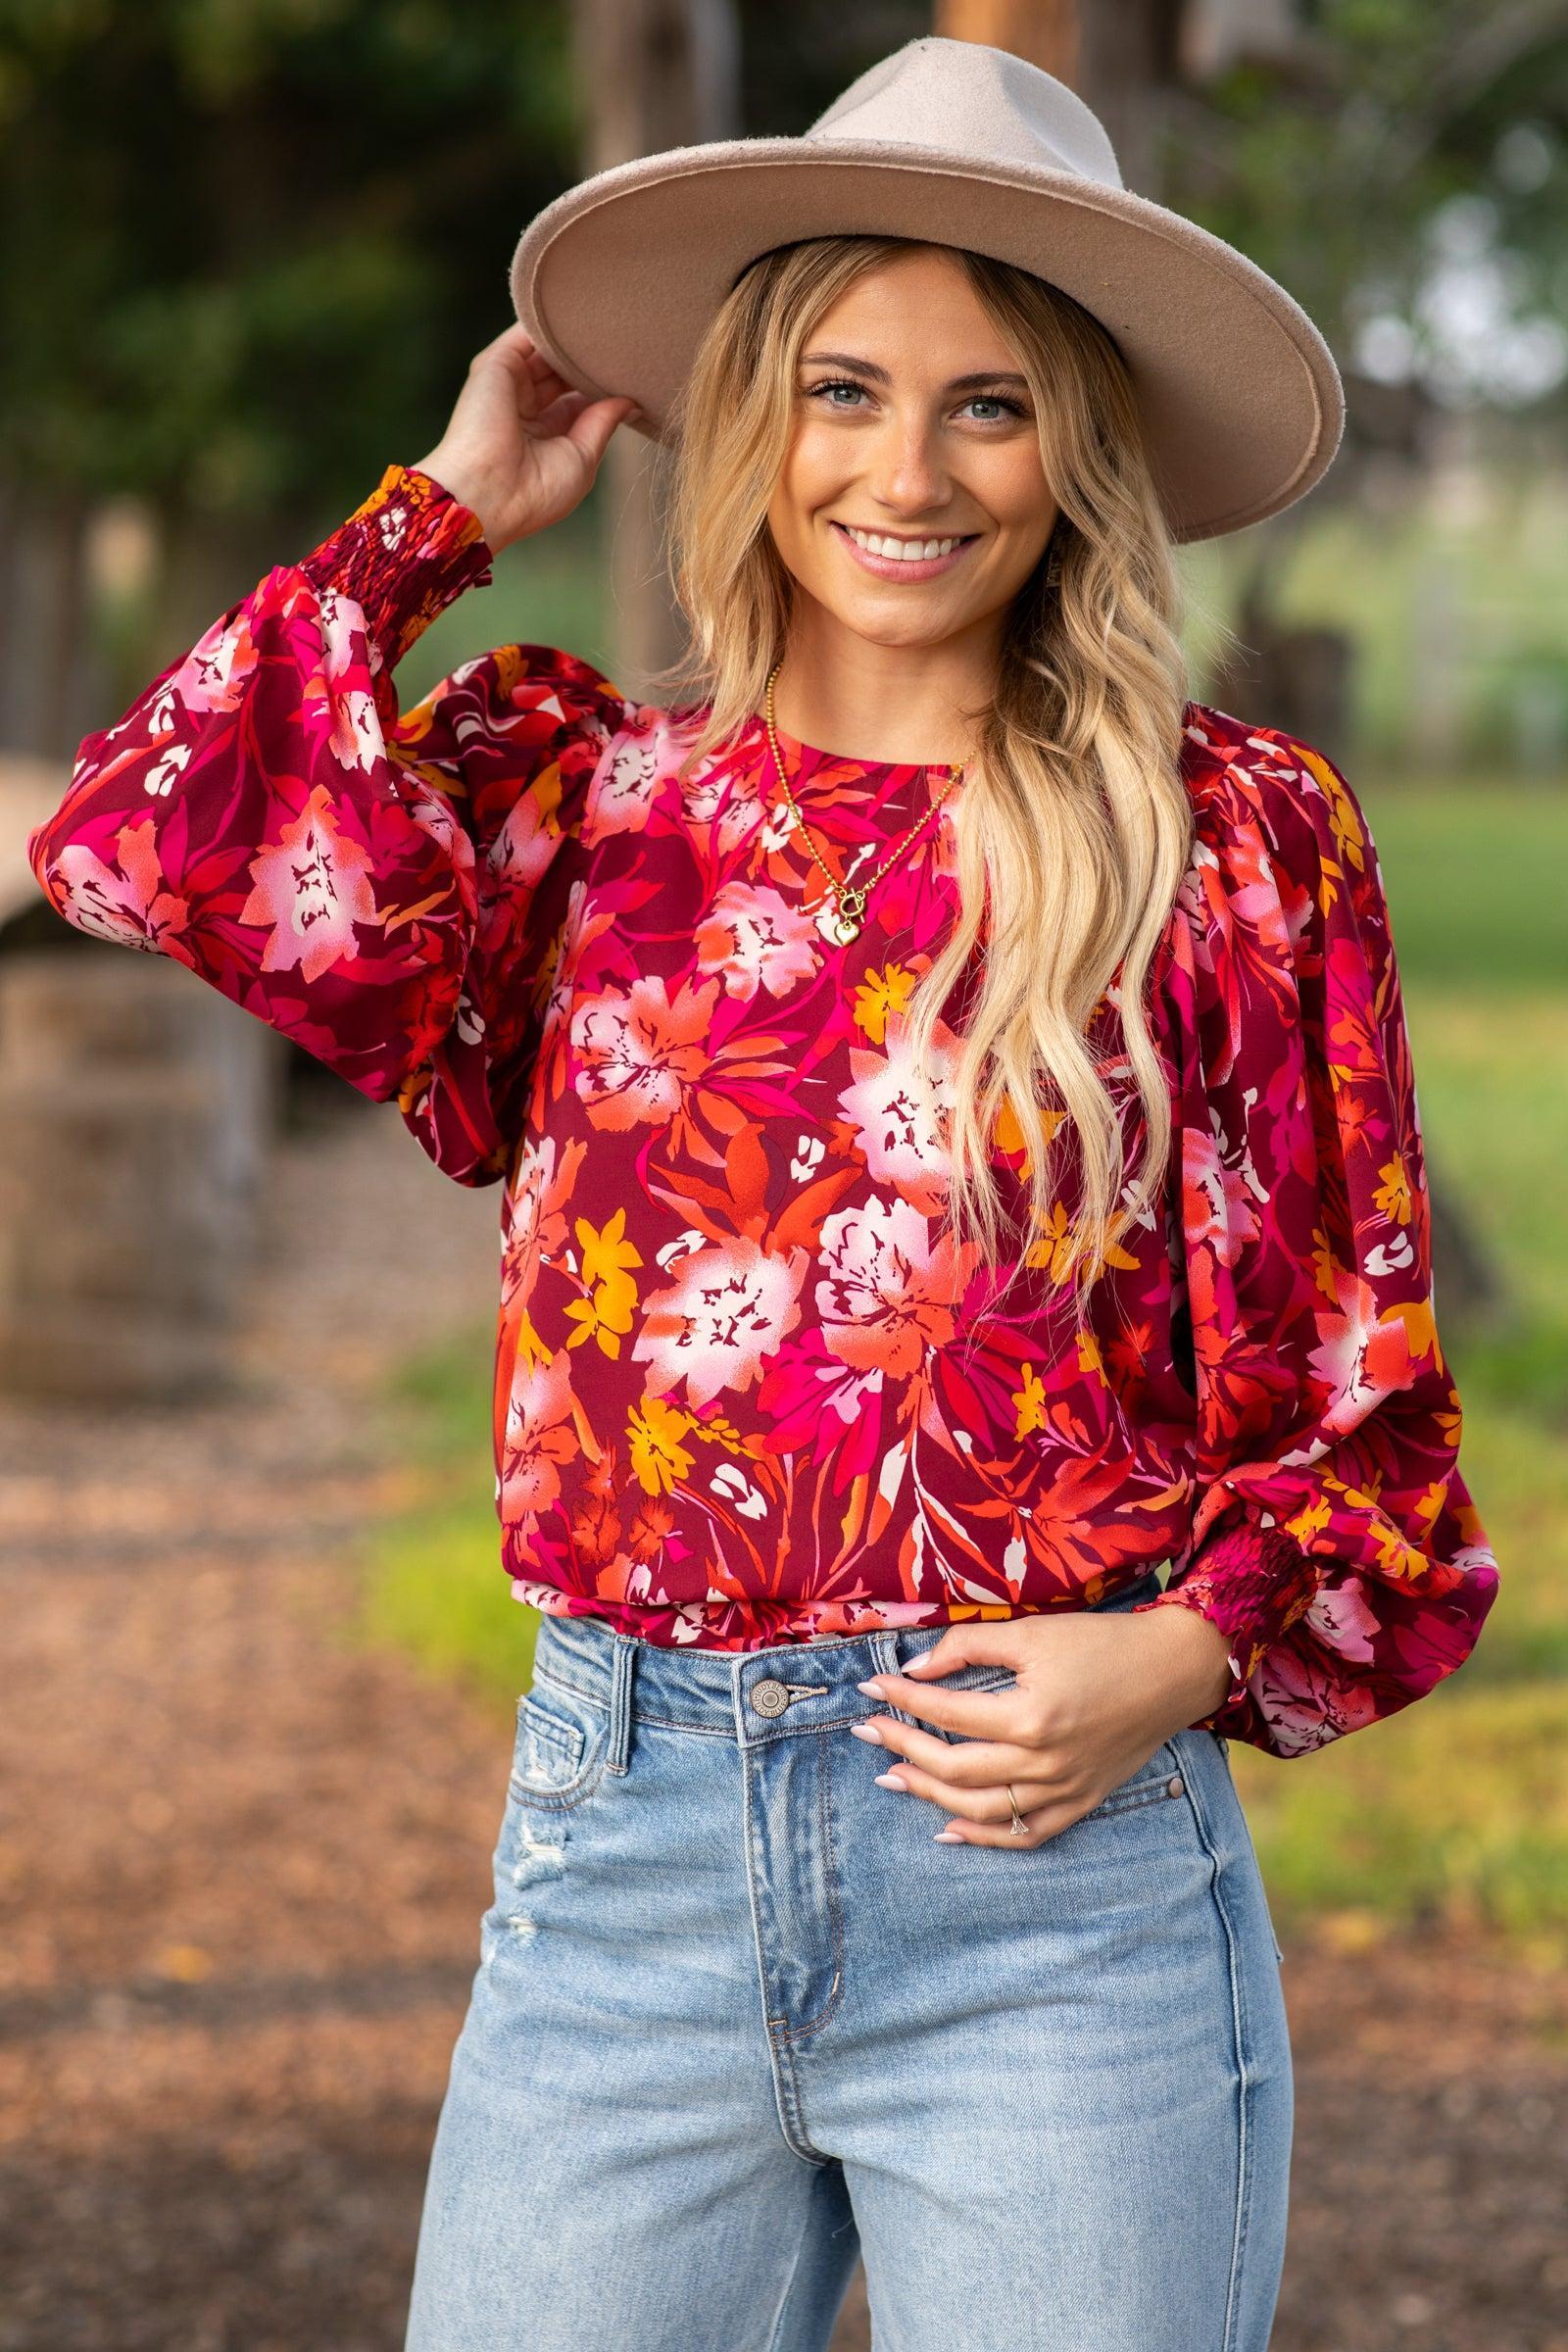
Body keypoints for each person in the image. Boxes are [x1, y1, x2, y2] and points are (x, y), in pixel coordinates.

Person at [27, 36, 1498, 2352]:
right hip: (622, 1874)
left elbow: (1371, 1418)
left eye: (989, 404)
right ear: (749, 420)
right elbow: (152, 828)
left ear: (1079, 452)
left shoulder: (1229, 845)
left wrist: (1186, 1653)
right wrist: (436, 506)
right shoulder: (589, 807)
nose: (904, 473)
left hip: (1052, 1890)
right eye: (837, 387)